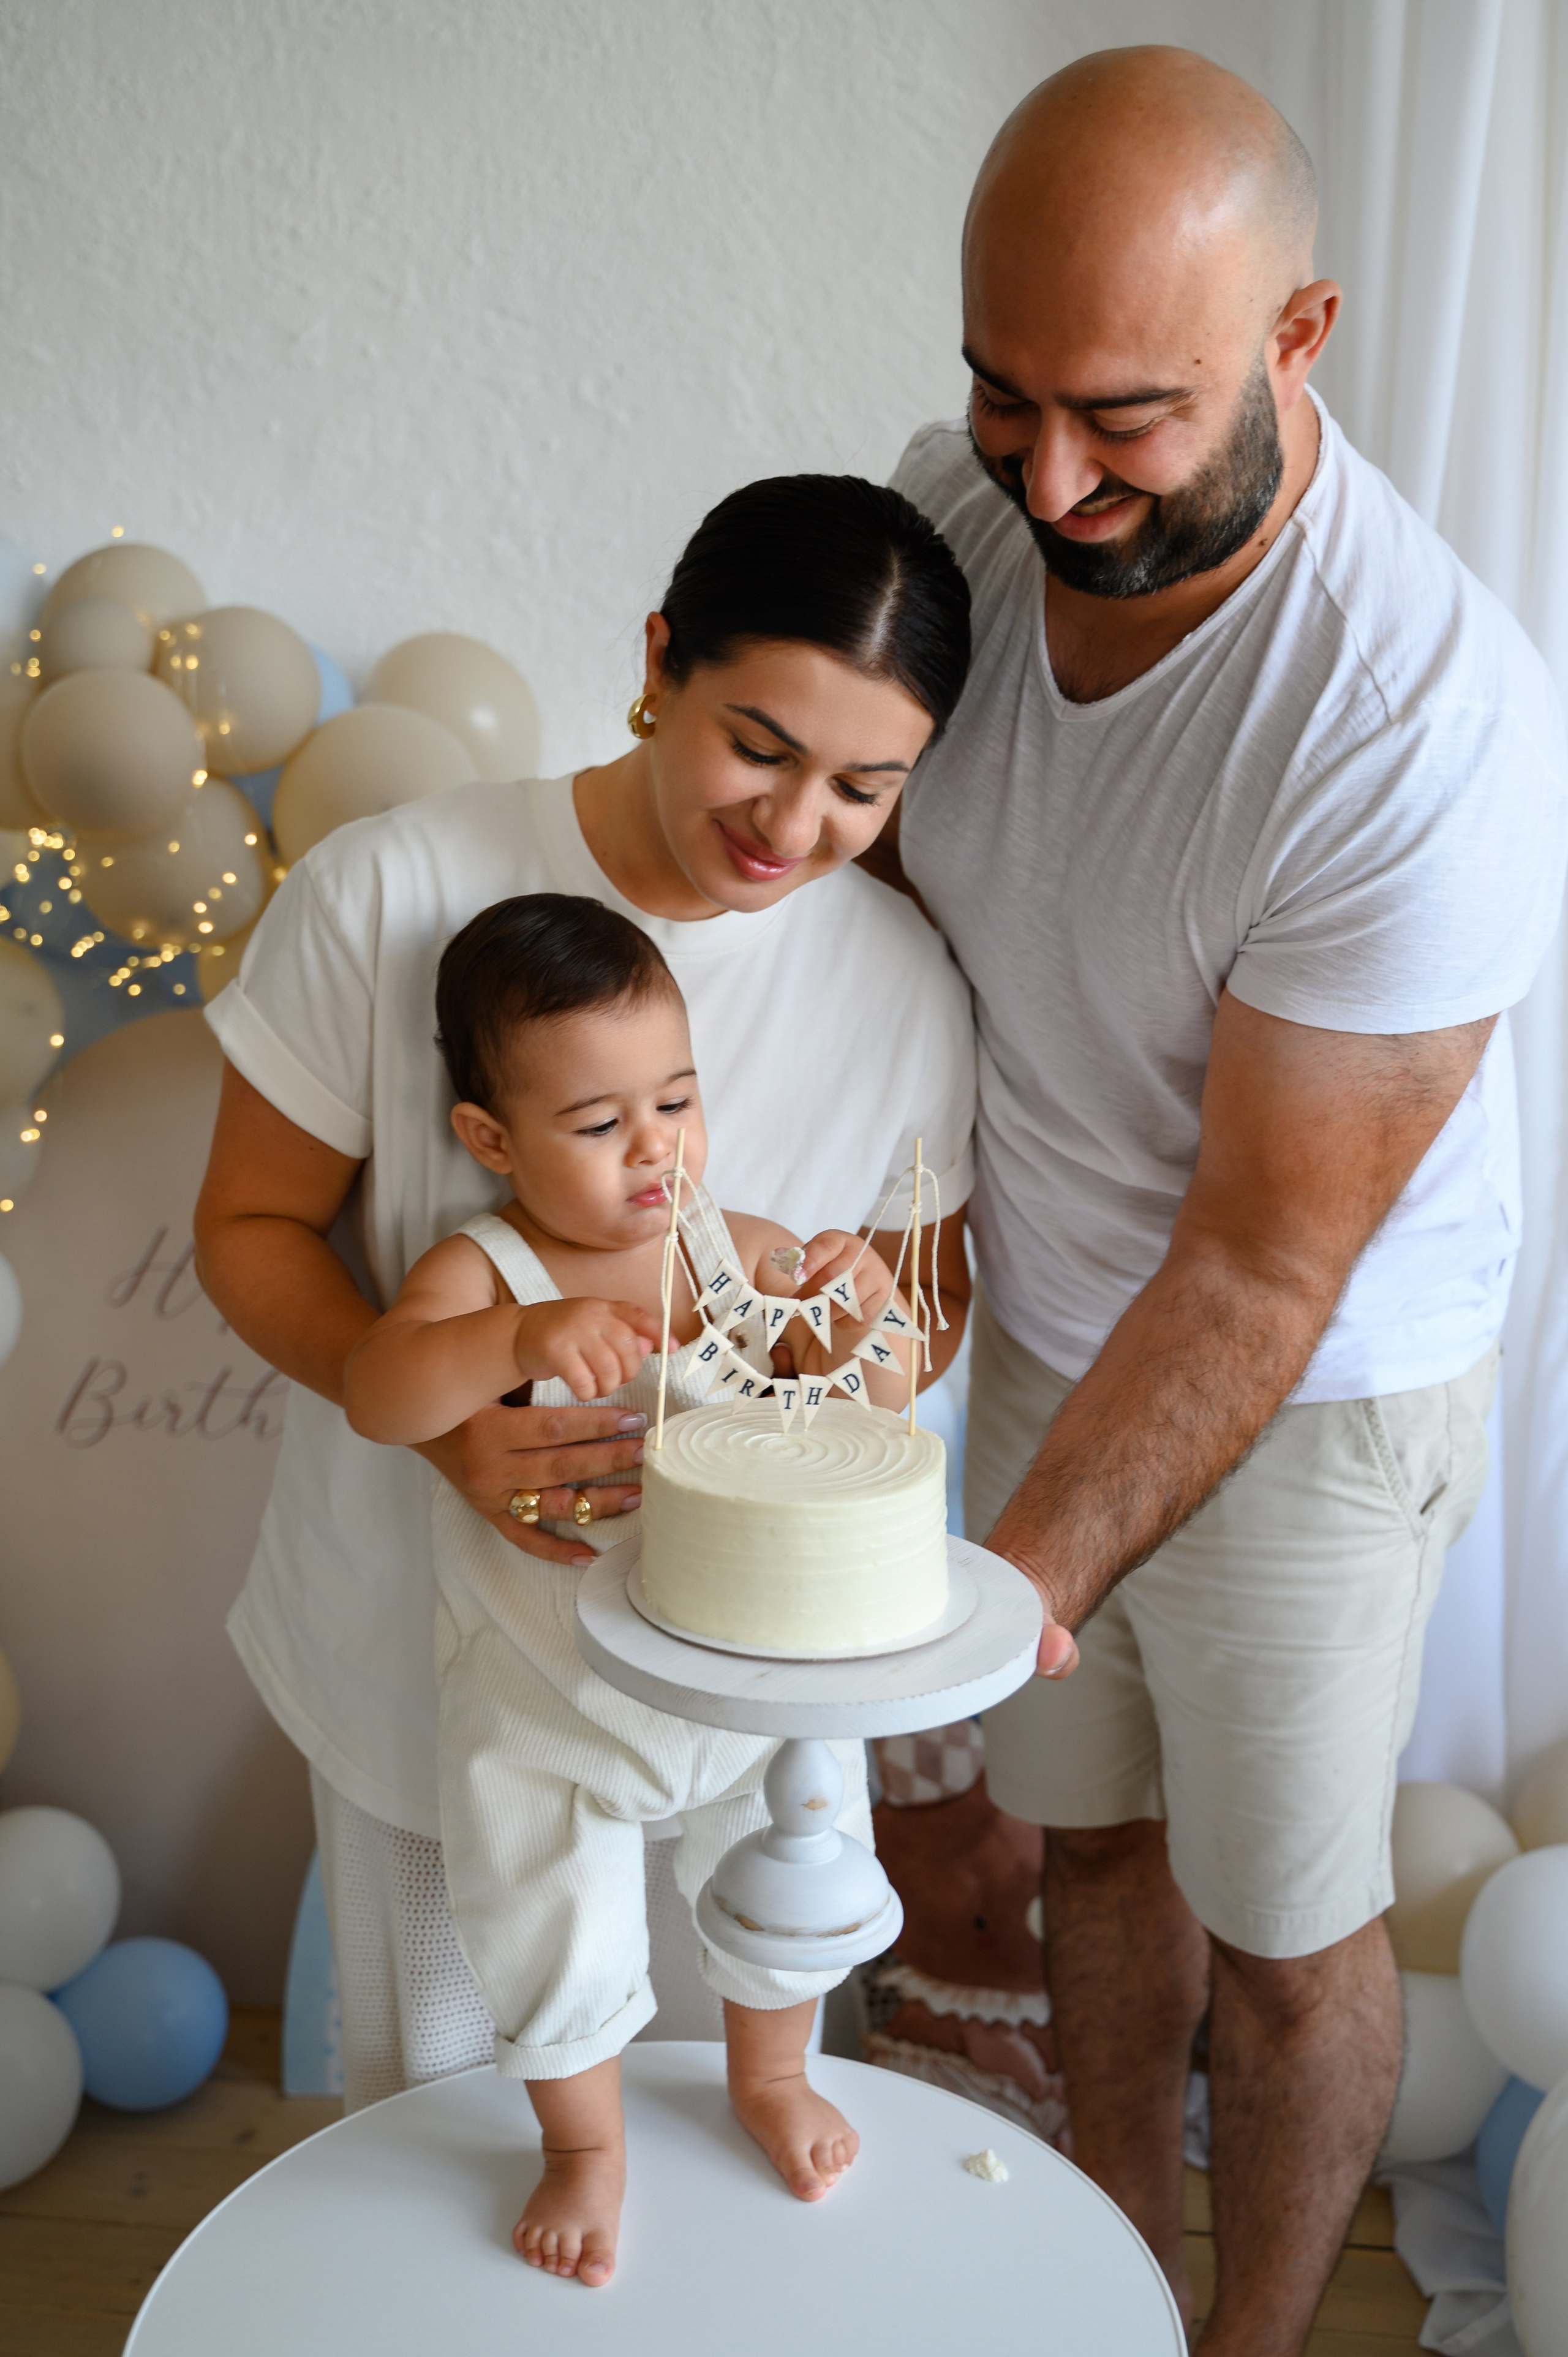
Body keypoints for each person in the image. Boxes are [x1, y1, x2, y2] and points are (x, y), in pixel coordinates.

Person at [876, 46, 1568, 2357]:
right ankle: (1103, 2274)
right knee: (1091, 1846)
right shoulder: (954, 514)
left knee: (1281, 1938)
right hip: (1063, 1308)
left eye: (1124, 418)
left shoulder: (1422, 715)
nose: (1049, 479)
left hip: (1319, 1379)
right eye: (1003, 392)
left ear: (1302, 334)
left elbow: (1272, 1258)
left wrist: (1007, 1593)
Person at [192, 473, 976, 2114]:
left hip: (737, 1683)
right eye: (758, 746)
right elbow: (253, 1229)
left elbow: (918, 1313)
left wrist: (855, 1326)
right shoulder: (395, 888)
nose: (791, 825)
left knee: (724, 2098)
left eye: (862, 786)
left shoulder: (899, 990)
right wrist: (449, 1423)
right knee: (460, 2118)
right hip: (445, 1643)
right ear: (658, 661)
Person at [342, 892, 914, 2286]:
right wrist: (516, 1336)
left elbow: (874, 1402)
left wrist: (857, 1310)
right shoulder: (487, 1267)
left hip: (741, 1681)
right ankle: (583, 2146)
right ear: (491, 1140)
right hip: (550, 1702)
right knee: (549, 1918)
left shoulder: (735, 1251)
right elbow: (375, 1393)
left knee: (787, 1862)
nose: (657, 1148)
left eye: (675, 1099)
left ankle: (770, 2077)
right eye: (600, 1127)